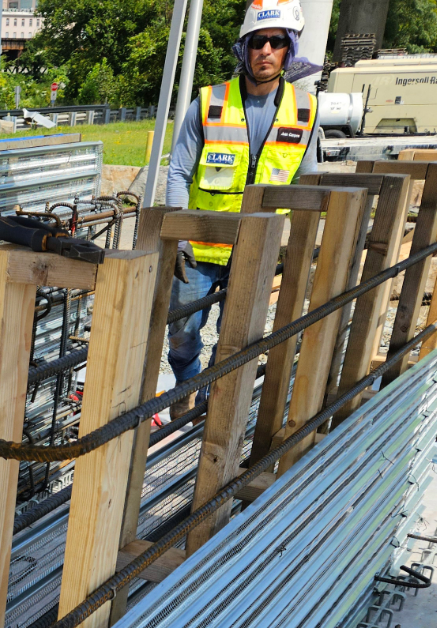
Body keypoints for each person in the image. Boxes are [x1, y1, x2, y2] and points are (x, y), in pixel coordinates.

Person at [162, 0, 321, 418]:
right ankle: (186, 386)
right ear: (244, 48)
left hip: (256, 247)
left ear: (288, 51)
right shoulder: (210, 103)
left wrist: (300, 247)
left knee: (236, 334)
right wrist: (177, 235)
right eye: (258, 42)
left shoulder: (305, 112)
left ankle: (216, 400)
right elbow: (178, 172)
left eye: (276, 42)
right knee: (181, 327)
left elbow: (308, 185)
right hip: (199, 246)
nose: (265, 51)